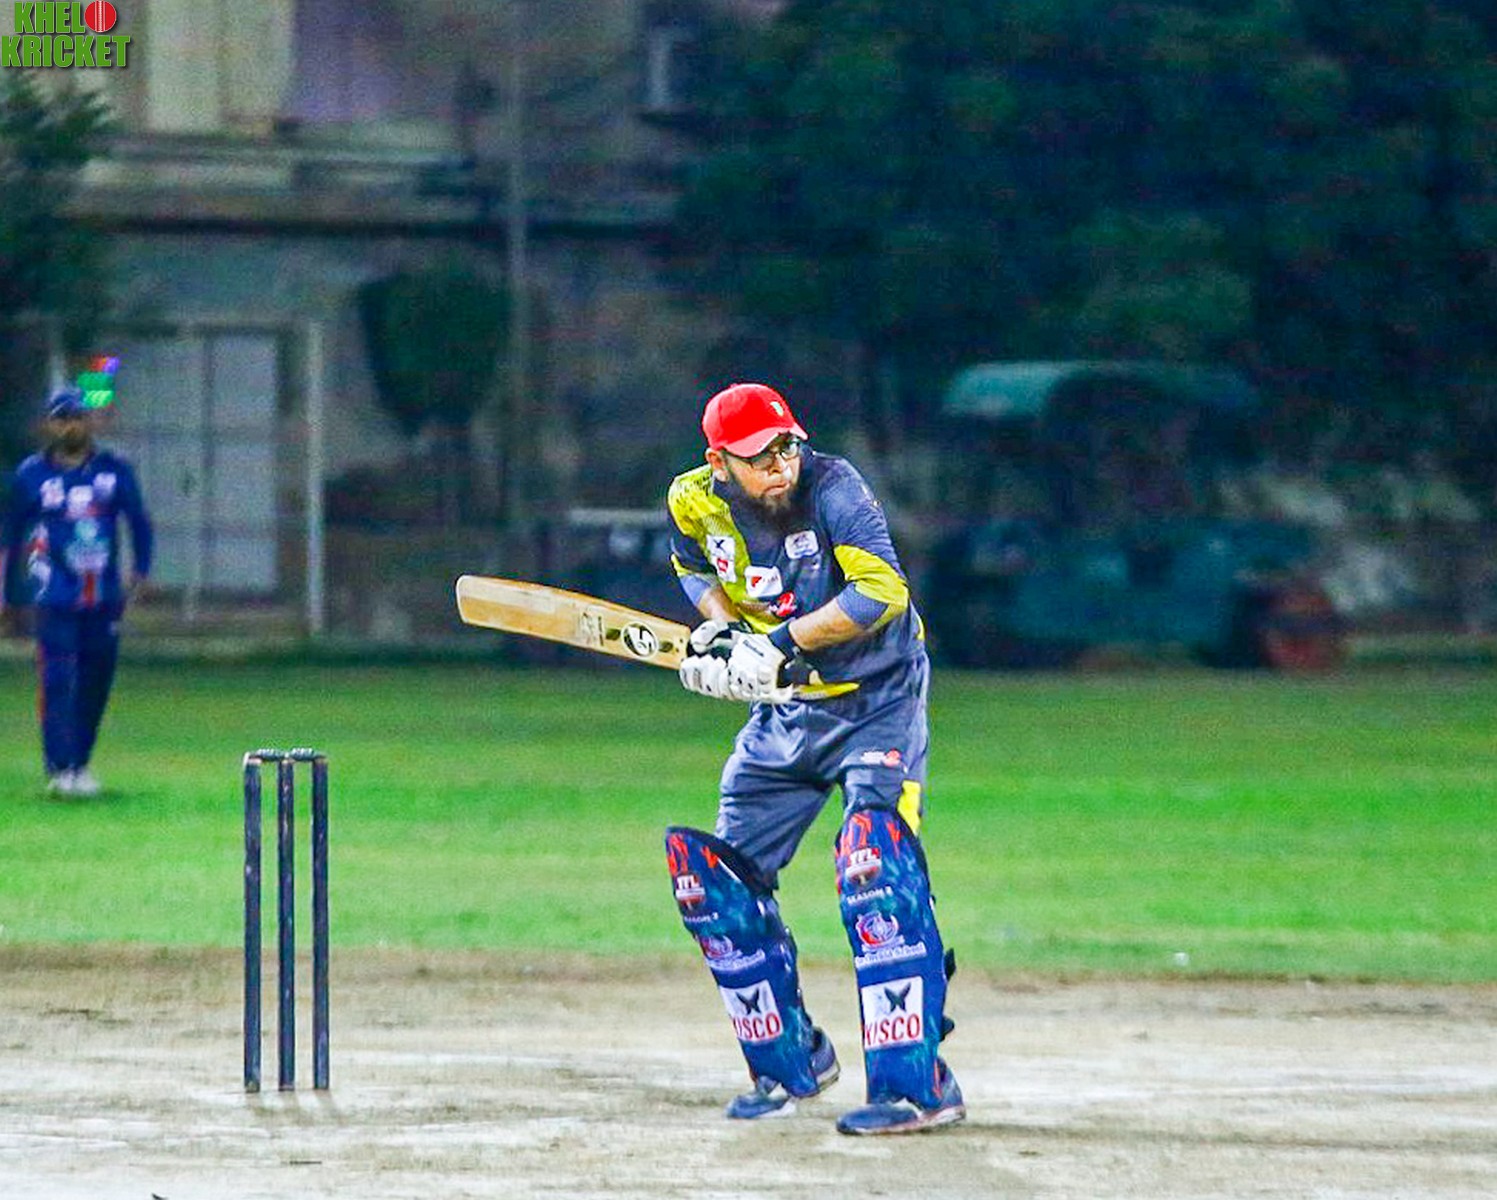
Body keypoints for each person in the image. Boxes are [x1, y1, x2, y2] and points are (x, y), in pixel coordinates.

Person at [664, 381, 964, 1135]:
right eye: (758, 457)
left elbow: (880, 593)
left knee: (876, 869)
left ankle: (916, 1085)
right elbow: (692, 565)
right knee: (714, 885)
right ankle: (790, 1060)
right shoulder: (692, 499)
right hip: (787, 710)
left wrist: (775, 644)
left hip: (877, 700)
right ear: (718, 463)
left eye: (787, 447)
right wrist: (721, 632)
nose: (779, 467)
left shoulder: (834, 488)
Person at [1, 385, 153, 796]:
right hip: (53, 595)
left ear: (90, 422)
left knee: (95, 681)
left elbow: (138, 521)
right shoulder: (32, 475)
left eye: (77, 417)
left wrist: (140, 571)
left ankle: (80, 763)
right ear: (50, 425)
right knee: (57, 679)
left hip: (103, 597)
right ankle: (59, 768)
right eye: (62, 418)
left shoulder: (113, 470)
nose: (71, 426)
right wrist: (6, 593)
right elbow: (10, 533)